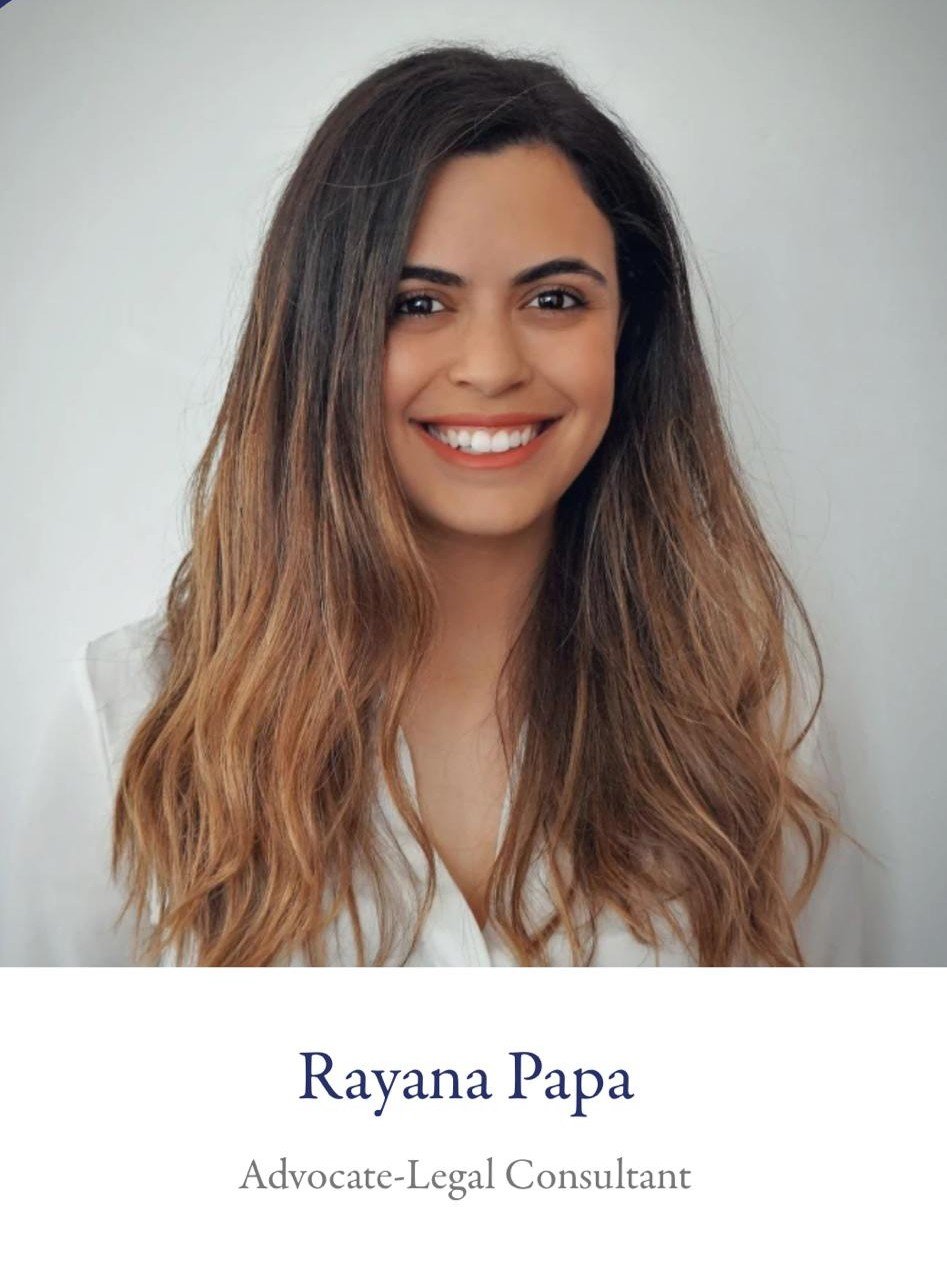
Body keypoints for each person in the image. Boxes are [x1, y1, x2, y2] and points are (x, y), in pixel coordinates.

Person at [12, 43, 865, 967]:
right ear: (323, 338)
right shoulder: (122, 729)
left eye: (554, 298)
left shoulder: (748, 731)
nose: (491, 367)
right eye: (417, 304)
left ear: (629, 329)